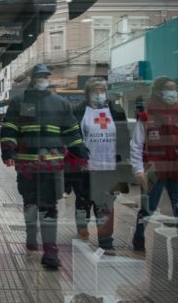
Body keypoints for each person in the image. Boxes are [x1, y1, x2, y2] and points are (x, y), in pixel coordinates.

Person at [0, 64, 88, 269]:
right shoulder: (21, 102)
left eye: (45, 76)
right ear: (32, 79)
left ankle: (50, 251)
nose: (43, 79)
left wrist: (81, 152)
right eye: (39, 76)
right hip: (27, 165)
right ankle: (32, 237)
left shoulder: (60, 103)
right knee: (30, 203)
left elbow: (72, 131)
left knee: (49, 206)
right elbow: (10, 127)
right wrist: (8, 151)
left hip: (52, 166)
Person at [130, 76, 178, 275]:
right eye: (169, 89)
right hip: (154, 170)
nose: (173, 92)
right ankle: (138, 235)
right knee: (148, 208)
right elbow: (136, 145)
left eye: (174, 89)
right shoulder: (146, 117)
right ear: (158, 91)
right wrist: (138, 169)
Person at [65, 77, 130, 254]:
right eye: (95, 90)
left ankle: (106, 242)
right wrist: (78, 161)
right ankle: (82, 227)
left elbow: (124, 137)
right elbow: (73, 139)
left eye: (102, 90)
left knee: (105, 206)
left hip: (110, 168)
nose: (99, 93)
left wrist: (124, 161)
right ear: (88, 93)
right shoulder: (79, 111)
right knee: (84, 202)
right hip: (86, 169)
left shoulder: (116, 111)